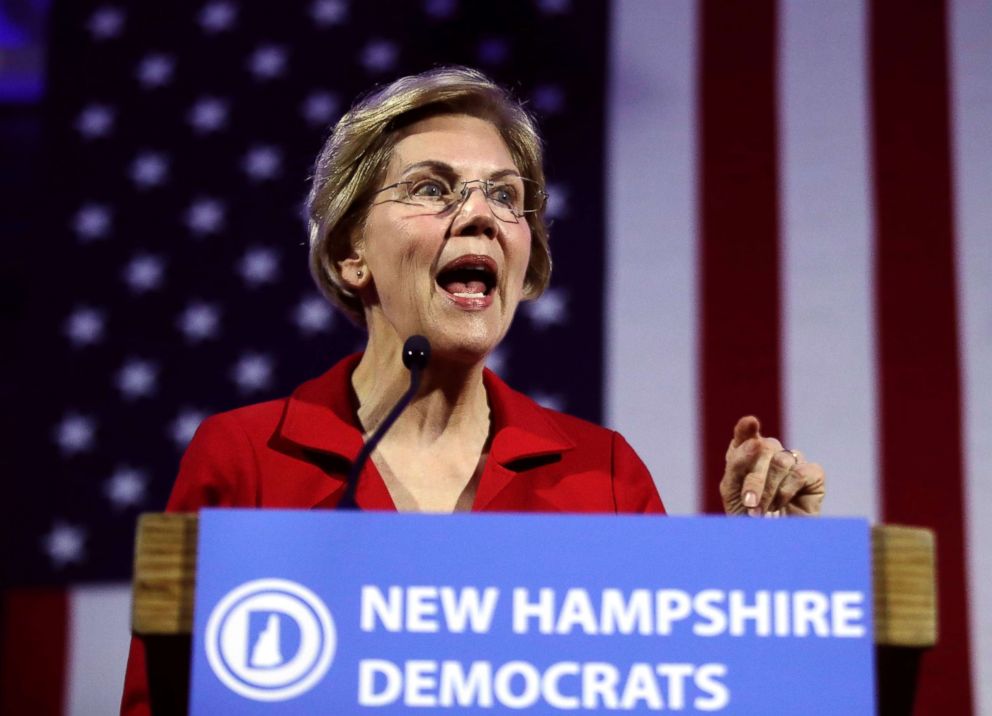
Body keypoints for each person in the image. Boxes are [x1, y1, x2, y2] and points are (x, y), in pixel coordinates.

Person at [121, 66, 825, 713]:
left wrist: (763, 568)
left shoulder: (602, 474)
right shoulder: (247, 457)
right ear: (350, 252)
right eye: (431, 188)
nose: (481, 214)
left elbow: (672, 694)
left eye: (505, 196)